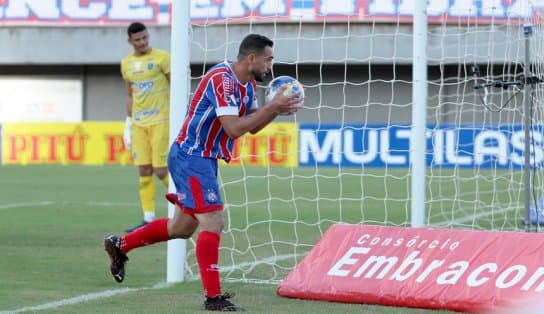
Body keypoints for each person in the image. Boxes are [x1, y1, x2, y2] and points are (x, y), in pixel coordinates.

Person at [104, 33, 303, 311]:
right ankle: (213, 298)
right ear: (251, 58)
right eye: (268, 59)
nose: (271, 65)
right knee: (213, 220)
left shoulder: (247, 86)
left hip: (203, 159)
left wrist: (276, 111)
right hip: (191, 155)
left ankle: (120, 245)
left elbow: (252, 126)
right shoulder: (222, 79)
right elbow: (233, 129)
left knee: (181, 228)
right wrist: (273, 106)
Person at [121, 22, 171, 232]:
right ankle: (148, 218)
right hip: (139, 123)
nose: (142, 42)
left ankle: (188, 205)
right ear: (130, 41)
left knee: (160, 170)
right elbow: (130, 93)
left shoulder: (162, 58)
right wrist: (128, 122)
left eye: (145, 38)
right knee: (144, 169)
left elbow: (176, 84)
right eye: (138, 40)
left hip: (161, 120)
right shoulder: (126, 64)